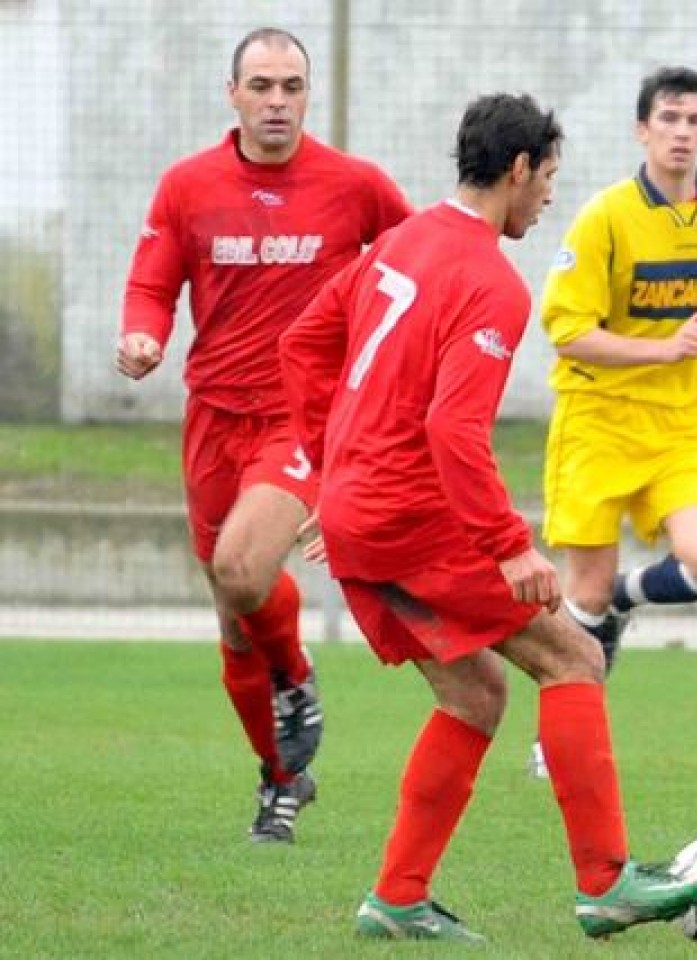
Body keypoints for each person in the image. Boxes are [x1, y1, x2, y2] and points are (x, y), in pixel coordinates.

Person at [278, 92, 697, 943]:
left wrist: (335, 477)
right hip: (414, 515)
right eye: (548, 176)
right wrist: (508, 545)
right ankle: (606, 882)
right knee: (575, 656)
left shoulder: (399, 241)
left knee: (476, 694)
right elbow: (452, 428)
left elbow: (305, 345)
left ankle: (397, 898)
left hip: (364, 513)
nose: (550, 195)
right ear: (517, 169)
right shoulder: (488, 280)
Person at [116, 27, 411, 843]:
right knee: (232, 610)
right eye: (263, 85)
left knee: (241, 570)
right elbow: (151, 284)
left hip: (301, 417)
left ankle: (298, 677)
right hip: (212, 418)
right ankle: (282, 779)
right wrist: (142, 335)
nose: (278, 100)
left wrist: (388, 372)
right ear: (233, 93)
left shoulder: (355, 186)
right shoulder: (187, 186)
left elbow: (414, 266)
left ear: (307, 95)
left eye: (292, 86)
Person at [531, 65, 697, 778]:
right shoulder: (605, 216)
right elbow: (567, 332)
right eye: (669, 119)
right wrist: (663, 348)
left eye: (694, 121)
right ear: (642, 130)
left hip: (679, 427)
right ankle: (554, 735)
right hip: (596, 421)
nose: (682, 133)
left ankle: (628, 600)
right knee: (582, 595)